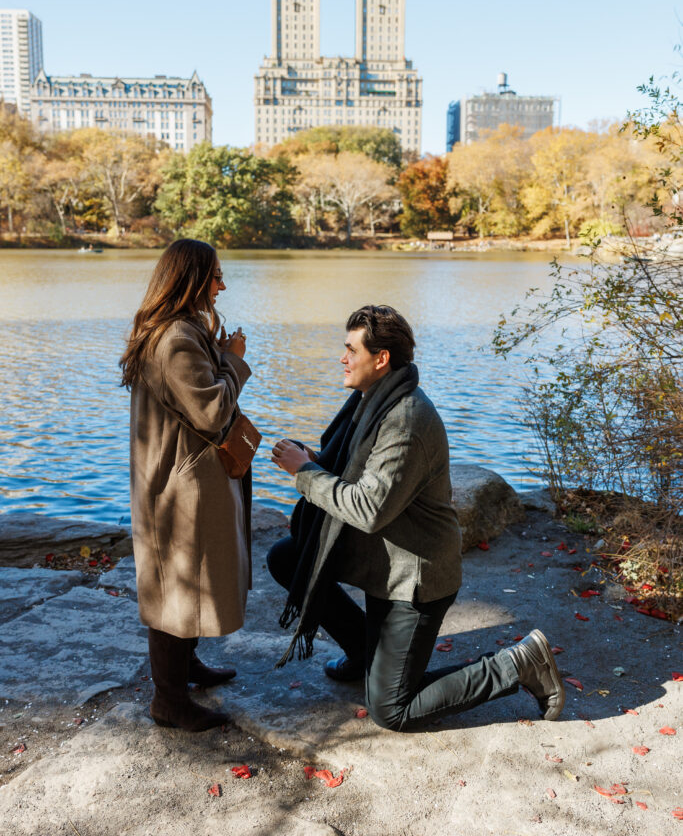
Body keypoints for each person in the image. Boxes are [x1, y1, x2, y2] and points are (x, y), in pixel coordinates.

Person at [269, 304, 564, 732]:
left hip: (414, 578)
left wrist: (305, 473)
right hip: (382, 562)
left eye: (351, 350)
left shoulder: (405, 421)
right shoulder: (372, 399)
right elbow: (361, 472)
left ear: (381, 358)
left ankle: (518, 664)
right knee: (287, 557)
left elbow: (368, 510)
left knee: (391, 710)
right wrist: (318, 461)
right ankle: (364, 651)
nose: (343, 358)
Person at [120, 238, 252, 731]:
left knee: (187, 584)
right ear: (191, 279)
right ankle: (169, 701)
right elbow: (213, 413)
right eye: (215, 275)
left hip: (179, 476)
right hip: (180, 484)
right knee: (176, 589)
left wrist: (217, 349)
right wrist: (234, 359)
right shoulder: (174, 338)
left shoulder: (181, 330)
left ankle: (186, 669)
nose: (222, 284)